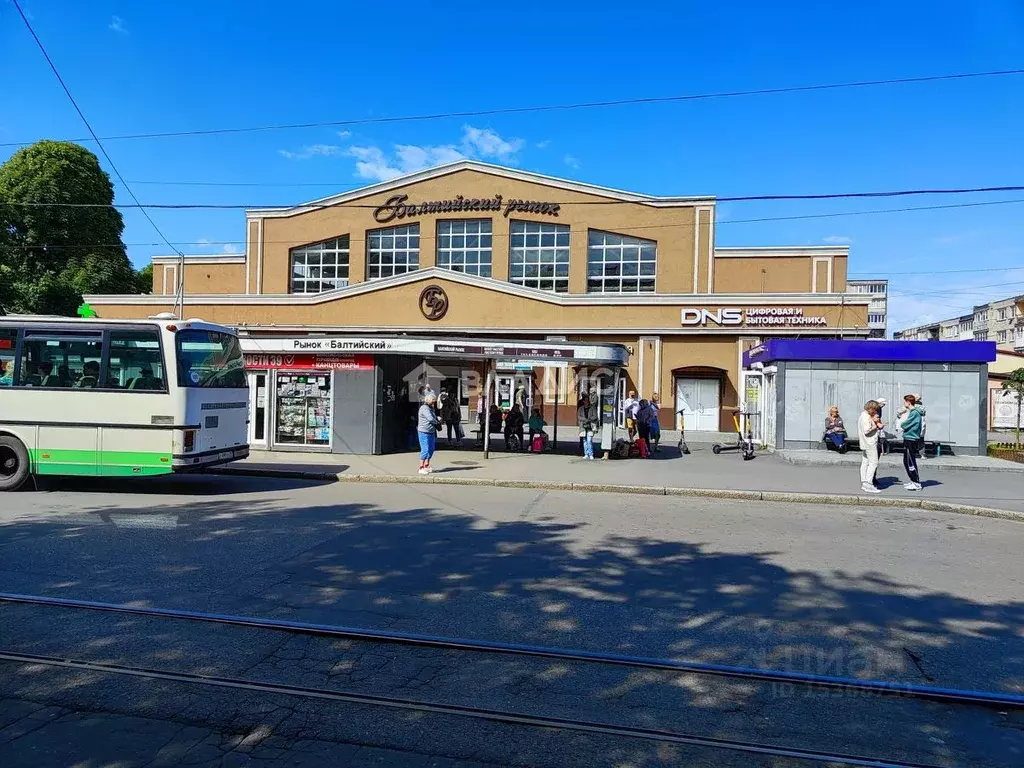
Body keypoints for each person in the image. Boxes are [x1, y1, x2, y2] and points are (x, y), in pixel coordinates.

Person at [897, 394, 924, 491]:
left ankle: (916, 482)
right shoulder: (913, 412)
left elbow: (906, 424)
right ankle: (913, 480)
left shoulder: (914, 413)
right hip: (909, 437)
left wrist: (902, 423)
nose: (904, 404)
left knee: (910, 461)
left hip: (911, 438)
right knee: (907, 460)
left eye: (904, 402)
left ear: (908, 402)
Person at [857, 400, 884, 494]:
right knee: (873, 462)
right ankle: (868, 483)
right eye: (875, 410)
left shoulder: (863, 415)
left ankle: (864, 482)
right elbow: (866, 430)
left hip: (865, 442)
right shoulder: (866, 417)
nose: (876, 412)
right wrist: (876, 426)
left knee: (865, 462)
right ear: (871, 408)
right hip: (870, 442)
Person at [417, 393, 440, 474]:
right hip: (424, 431)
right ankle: (421, 467)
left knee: (431, 449)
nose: (434, 403)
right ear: (428, 400)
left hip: (431, 431)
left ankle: (427, 465)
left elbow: (434, 417)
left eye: (434, 401)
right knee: (425, 449)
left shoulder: (431, 408)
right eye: (433, 401)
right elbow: (430, 418)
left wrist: (437, 419)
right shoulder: (424, 408)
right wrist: (437, 422)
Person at [577, 394, 598, 460]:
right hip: (583, 426)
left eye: (587, 400)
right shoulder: (581, 408)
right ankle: (586, 454)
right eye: (585, 400)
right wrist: (584, 420)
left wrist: (589, 420)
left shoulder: (592, 408)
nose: (587, 402)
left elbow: (595, 416)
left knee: (589, 440)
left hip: (590, 426)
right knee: (584, 440)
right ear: (583, 401)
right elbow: (578, 416)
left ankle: (591, 454)